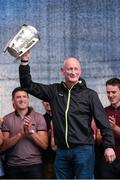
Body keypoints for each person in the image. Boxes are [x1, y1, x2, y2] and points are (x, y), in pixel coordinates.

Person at [19, 51, 116, 179]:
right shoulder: (54, 91)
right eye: (70, 69)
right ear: (62, 71)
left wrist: (108, 146)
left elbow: (103, 122)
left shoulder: (90, 95)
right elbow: (28, 86)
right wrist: (24, 61)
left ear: (80, 72)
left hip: (84, 150)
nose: (73, 72)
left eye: (76, 69)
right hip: (62, 152)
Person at [1, 87, 48, 179]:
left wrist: (31, 132)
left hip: (35, 165)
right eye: (18, 97)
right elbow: (3, 147)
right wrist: (20, 134)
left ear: (28, 99)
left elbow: (44, 145)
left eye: (24, 96)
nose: (22, 99)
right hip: (12, 166)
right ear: (13, 100)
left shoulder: (39, 117)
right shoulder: (7, 119)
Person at [95, 78, 120, 179]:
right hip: (107, 161)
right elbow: (97, 140)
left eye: (113, 92)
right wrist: (101, 135)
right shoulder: (103, 111)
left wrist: (114, 128)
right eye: (108, 92)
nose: (110, 95)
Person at [42, 101, 56, 179]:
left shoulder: (64, 117)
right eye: (45, 101)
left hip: (64, 158)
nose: (48, 103)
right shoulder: (40, 119)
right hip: (47, 160)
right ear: (42, 103)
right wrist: (47, 135)